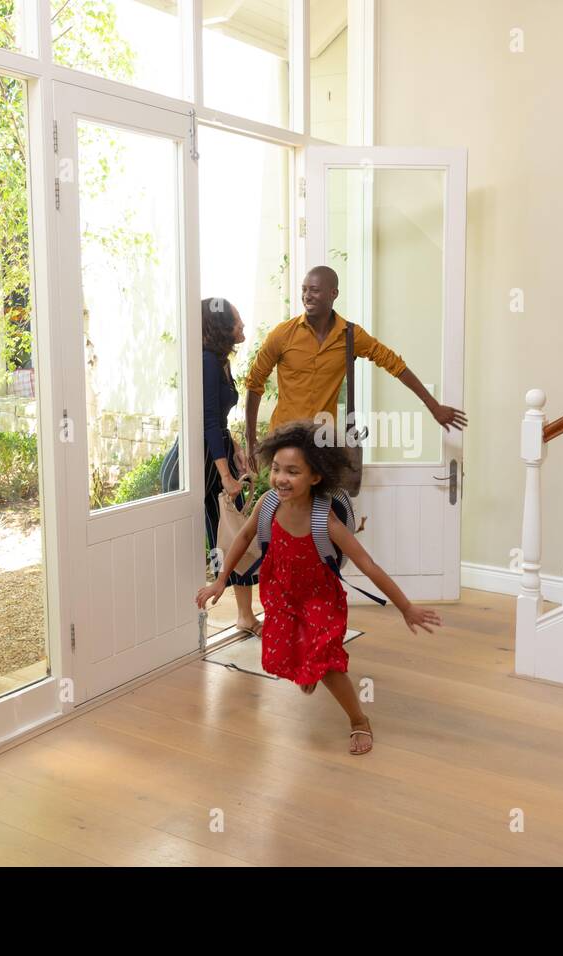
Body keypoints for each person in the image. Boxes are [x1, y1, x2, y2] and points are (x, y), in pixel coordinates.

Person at [195, 420, 443, 755]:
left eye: (293, 471)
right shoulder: (267, 504)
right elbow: (242, 537)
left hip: (320, 598)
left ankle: (358, 720)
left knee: (326, 663)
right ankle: (308, 668)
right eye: (278, 469)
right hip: (280, 594)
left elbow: (368, 564)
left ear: (315, 477)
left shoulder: (324, 520)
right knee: (281, 655)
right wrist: (221, 579)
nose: (282, 478)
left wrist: (405, 607)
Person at [242, 266, 468, 473]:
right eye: (304, 290)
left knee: (320, 511)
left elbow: (395, 365)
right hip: (285, 440)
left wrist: (433, 405)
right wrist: (250, 437)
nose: (307, 296)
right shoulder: (283, 334)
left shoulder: (351, 336)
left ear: (334, 293)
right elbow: (254, 382)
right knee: (288, 508)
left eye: (315, 290)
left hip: (322, 442)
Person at [165, 298, 262, 636]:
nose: (243, 325)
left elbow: (217, 419)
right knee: (204, 541)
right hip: (194, 464)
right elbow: (206, 421)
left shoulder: (220, 361)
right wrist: (225, 476)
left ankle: (244, 615)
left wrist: (234, 445)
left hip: (214, 457)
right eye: (238, 319)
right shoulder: (206, 361)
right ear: (222, 327)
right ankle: (180, 623)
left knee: (229, 537)